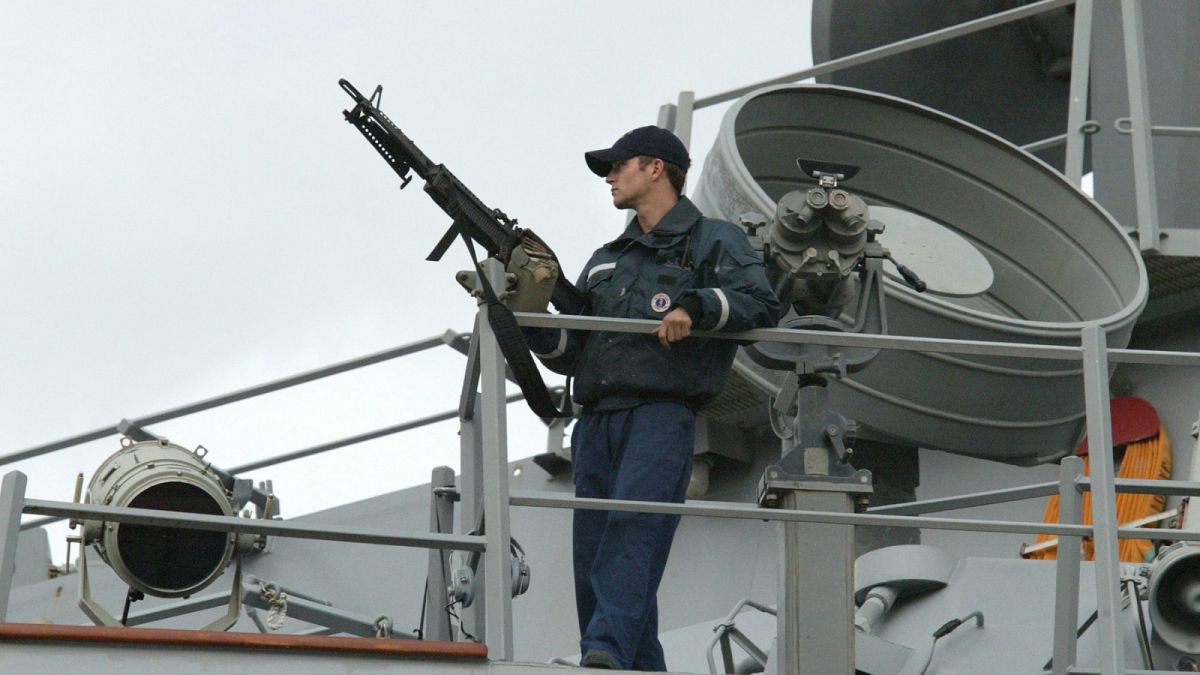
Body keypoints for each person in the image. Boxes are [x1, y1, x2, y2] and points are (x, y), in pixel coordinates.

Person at [527, 126, 782, 671]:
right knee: (593, 551)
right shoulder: (604, 258)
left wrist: (696, 306)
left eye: (619, 166)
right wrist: (526, 320)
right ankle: (632, 663)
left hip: (659, 416)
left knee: (631, 536)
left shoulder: (713, 239)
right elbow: (578, 351)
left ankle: (606, 653)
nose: (610, 177)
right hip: (596, 421)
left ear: (656, 169)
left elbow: (761, 302)